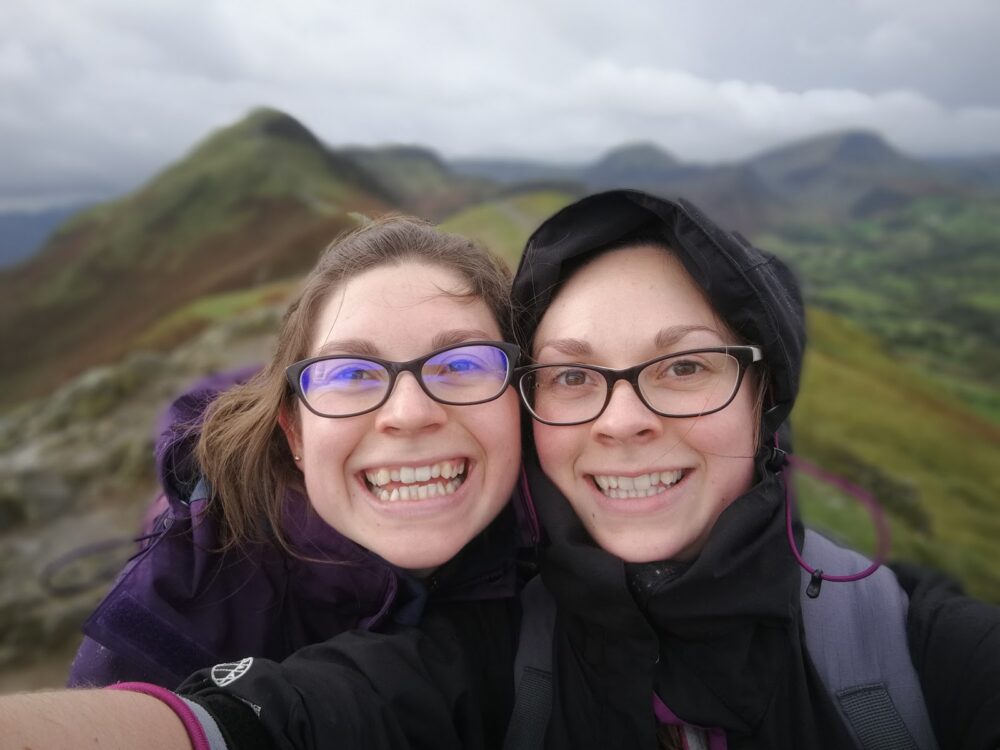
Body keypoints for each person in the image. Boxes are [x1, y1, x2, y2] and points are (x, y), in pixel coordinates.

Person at [504, 189, 1000, 749]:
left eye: (685, 366)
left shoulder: (939, 656)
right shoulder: (485, 658)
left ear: (763, 398)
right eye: (571, 377)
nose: (621, 422)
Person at [66, 214, 533, 688]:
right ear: (295, 434)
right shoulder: (176, 624)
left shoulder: (571, 529)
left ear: (523, 402)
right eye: (352, 374)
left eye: (461, 363)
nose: (410, 413)